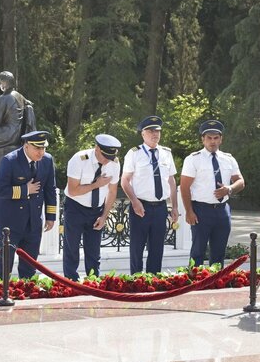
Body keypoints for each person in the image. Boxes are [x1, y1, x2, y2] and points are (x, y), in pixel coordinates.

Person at [0, 130, 57, 279]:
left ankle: (27, 293)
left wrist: (51, 216)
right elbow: (0, 190)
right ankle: (0, 292)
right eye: (37, 148)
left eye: (43, 148)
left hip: (33, 219)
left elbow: (50, 190)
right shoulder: (10, 160)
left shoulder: (47, 160)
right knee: (5, 262)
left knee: (30, 262)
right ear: (26, 146)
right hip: (10, 220)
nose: (41, 152)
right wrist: (25, 190)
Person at [180, 120, 244, 267]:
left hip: (222, 211)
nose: (212, 141)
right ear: (203, 139)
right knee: (198, 252)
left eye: (216, 138)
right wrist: (189, 211)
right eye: (209, 138)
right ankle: (194, 284)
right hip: (201, 210)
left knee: (219, 252)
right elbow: (184, 187)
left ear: (221, 139)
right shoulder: (193, 159)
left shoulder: (228, 159)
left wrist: (229, 189)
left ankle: (215, 284)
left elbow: (240, 181)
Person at [121, 116, 179, 274]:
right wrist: (134, 201)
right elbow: (125, 181)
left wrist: (174, 206)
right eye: (151, 131)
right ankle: (136, 280)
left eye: (158, 131)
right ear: (143, 134)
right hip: (141, 206)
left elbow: (172, 181)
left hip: (160, 207)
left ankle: (153, 280)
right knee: (137, 247)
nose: (155, 134)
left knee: (157, 248)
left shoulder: (166, 153)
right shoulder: (134, 153)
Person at [62, 134, 122, 280]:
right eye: (105, 156)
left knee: (94, 251)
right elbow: (73, 190)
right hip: (75, 207)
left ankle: (93, 282)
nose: (107, 160)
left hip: (97, 209)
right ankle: (71, 281)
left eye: (110, 156)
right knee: (72, 248)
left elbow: (112, 191)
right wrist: (97, 184)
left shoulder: (114, 163)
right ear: (96, 148)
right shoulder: (79, 159)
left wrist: (104, 216)